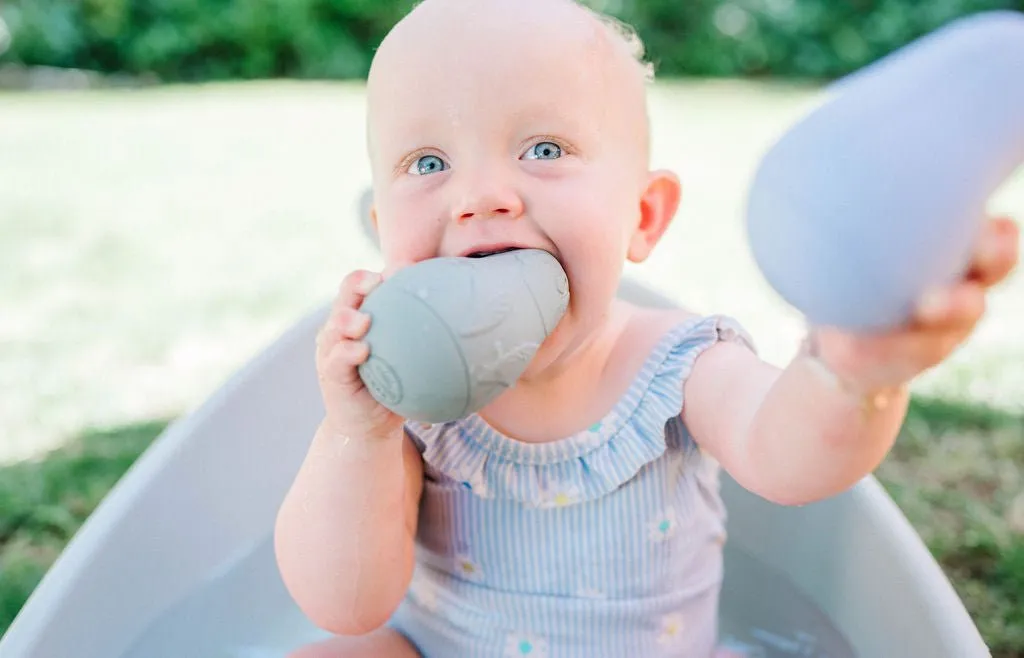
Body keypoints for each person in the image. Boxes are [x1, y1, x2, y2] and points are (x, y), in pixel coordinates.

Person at [273, 0, 1020, 656]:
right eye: (428, 161)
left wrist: (851, 372)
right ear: (382, 232)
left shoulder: (678, 364)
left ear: (643, 216)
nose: (482, 196)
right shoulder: (413, 403)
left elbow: (790, 461)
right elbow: (348, 605)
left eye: (543, 150)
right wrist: (357, 434)